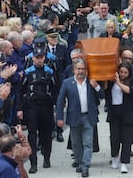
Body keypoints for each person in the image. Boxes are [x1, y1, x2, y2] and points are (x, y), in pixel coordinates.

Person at [56, 59, 104, 177]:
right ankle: (78, 161)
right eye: (78, 69)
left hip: (89, 116)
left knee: (88, 143)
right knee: (76, 143)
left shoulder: (91, 82)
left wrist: (97, 86)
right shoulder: (67, 83)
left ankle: (85, 165)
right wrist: (59, 117)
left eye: (83, 69)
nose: (81, 71)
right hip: (74, 116)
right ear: (74, 70)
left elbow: (102, 96)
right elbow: (60, 101)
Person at [17, 44, 55, 174]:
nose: (39, 59)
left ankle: (47, 158)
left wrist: (56, 107)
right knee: (32, 135)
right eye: (37, 57)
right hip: (32, 107)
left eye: (41, 57)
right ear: (32, 58)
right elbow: (20, 92)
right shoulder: (28, 73)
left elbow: (55, 89)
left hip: (46, 106)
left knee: (46, 134)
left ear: (44, 57)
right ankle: (33, 163)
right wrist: (20, 109)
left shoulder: (49, 71)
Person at [104, 62, 133, 174]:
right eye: (121, 72)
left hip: (128, 113)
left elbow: (131, 91)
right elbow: (105, 89)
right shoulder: (111, 81)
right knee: (114, 138)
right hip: (114, 112)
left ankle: (124, 163)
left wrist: (119, 83)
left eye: (125, 72)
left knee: (126, 139)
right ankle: (115, 157)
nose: (123, 74)